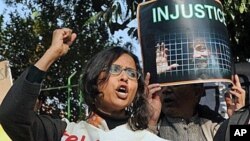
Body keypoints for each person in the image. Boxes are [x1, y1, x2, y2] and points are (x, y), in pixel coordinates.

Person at [0, 28, 168, 141]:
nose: (125, 77)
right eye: (115, 69)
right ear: (95, 77)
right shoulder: (62, 133)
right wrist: (51, 54)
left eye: (132, 73)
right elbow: (11, 117)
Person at [146, 73, 246, 141]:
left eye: (175, 85)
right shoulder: (148, 126)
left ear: (197, 92)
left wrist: (238, 121)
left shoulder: (214, 124)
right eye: (162, 86)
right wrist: (150, 123)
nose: (166, 90)